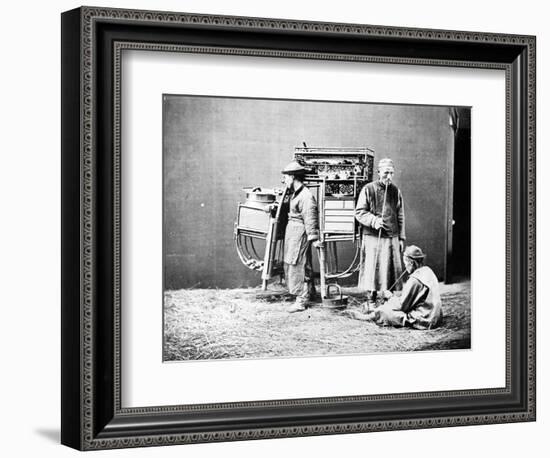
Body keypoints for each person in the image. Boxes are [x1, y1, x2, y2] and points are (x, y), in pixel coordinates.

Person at [355, 157, 405, 309]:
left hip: (392, 237)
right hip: (373, 238)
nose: (389, 176)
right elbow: (359, 212)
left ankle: (385, 300)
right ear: (378, 172)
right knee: (373, 269)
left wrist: (401, 237)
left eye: (391, 173)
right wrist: (374, 221)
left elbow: (401, 215)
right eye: (385, 173)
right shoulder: (368, 189)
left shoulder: (396, 191)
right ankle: (371, 299)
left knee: (388, 270)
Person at [352, 245, 443, 330]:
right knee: (390, 305)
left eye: (405, 263)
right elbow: (415, 299)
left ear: (411, 262)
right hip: (436, 316)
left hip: (425, 319)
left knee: (386, 311)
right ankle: (374, 312)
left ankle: (367, 317)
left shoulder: (414, 279)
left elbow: (402, 306)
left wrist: (390, 297)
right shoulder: (428, 271)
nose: (405, 266)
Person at [280, 160, 320, 313]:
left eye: (287, 177)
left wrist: (313, 238)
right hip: (293, 233)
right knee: (303, 263)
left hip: (300, 233)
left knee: (299, 264)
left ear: (294, 177)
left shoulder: (306, 196)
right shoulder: (295, 194)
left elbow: (310, 218)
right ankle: (310, 293)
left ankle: (301, 300)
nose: (285, 180)